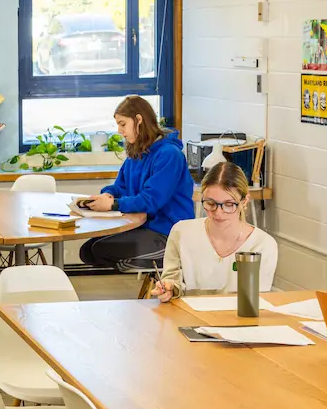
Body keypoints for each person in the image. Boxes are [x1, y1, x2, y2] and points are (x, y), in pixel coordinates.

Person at [78, 95, 195, 268]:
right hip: (143, 227)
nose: (119, 130)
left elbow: (151, 200)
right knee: (87, 250)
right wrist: (107, 195)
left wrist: (113, 205)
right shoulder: (137, 153)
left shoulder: (169, 155)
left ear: (139, 120)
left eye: (123, 124)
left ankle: (162, 268)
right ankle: (131, 271)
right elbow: (120, 187)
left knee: (100, 250)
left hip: (167, 233)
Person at [152, 162, 277, 301]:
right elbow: (173, 280)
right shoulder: (181, 232)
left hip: (239, 320)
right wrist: (170, 288)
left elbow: (255, 300)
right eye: (210, 203)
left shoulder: (263, 245)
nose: (218, 212)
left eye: (229, 205)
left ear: (244, 201)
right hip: (189, 319)